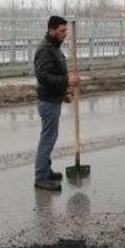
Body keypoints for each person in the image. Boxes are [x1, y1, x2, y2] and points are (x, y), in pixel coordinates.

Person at [33, 15, 80, 191]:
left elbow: (53, 74)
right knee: (48, 138)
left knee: (50, 137)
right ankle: (40, 176)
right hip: (47, 101)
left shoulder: (53, 47)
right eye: (61, 31)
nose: (65, 34)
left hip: (53, 98)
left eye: (66, 30)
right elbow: (43, 77)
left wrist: (63, 94)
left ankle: (46, 170)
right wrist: (67, 80)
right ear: (51, 30)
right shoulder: (45, 49)